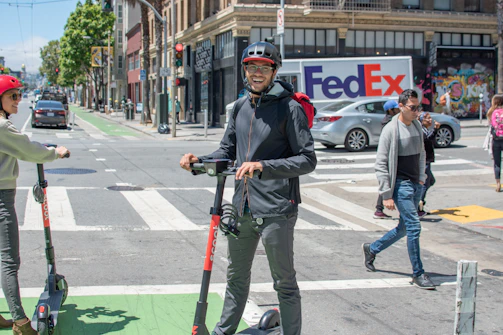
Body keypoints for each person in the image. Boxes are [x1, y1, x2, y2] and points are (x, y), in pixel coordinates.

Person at [180, 41, 316, 335]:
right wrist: (198, 161)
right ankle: (223, 331)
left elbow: (307, 159)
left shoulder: (289, 108)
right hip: (241, 207)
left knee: (284, 282)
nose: (257, 72)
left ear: (274, 71)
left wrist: (264, 166)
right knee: (236, 278)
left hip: (276, 209)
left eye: (264, 68)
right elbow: (227, 150)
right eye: (251, 67)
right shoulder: (241, 106)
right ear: (244, 71)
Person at [0, 75, 71, 334]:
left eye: (19, 95)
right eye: (12, 96)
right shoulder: (2, 127)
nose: (18, 100)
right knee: (9, 261)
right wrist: (56, 152)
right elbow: (28, 150)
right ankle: (20, 322)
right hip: (1, 197)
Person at [362, 89, 435, 290]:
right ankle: (418, 273)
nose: (416, 111)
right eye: (412, 107)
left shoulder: (417, 126)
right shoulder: (391, 130)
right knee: (413, 227)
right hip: (400, 185)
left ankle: (372, 248)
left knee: (403, 228)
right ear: (401, 107)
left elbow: (421, 154)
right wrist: (386, 194)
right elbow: (381, 163)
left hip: (415, 184)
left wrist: (421, 179)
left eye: (418, 107)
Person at [374, 100, 400, 219]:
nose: (398, 110)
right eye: (396, 108)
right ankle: (379, 209)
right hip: (390, 157)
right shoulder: (389, 123)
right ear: (391, 110)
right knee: (387, 183)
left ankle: (379, 209)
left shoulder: (390, 121)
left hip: (392, 156)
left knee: (388, 183)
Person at [417, 111, 440, 217]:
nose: (430, 120)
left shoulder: (424, 130)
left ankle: (419, 202)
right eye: (428, 118)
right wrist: (435, 129)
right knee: (425, 183)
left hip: (427, 160)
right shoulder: (421, 130)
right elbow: (428, 139)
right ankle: (419, 205)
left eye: (430, 118)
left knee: (430, 181)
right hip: (424, 160)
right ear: (422, 120)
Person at [486, 94, 503, 192]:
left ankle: (498, 184)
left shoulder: (492, 112)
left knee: (497, 163)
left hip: (496, 140)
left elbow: (491, 125)